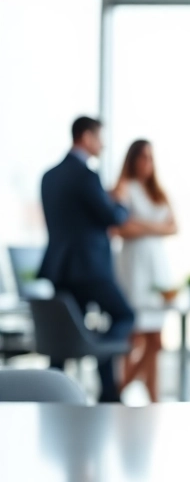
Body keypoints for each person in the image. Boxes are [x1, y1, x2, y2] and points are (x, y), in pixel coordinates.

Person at [38, 116, 135, 403]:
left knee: (63, 335)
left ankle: (52, 396)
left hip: (60, 267)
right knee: (123, 315)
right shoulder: (86, 176)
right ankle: (106, 389)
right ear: (85, 136)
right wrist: (120, 201)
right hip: (90, 268)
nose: (102, 144)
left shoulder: (49, 176)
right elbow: (111, 217)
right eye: (99, 137)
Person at [112, 139, 177, 404]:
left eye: (151, 158)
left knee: (156, 341)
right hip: (134, 269)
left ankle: (151, 399)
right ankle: (119, 395)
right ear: (133, 159)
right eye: (143, 157)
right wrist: (154, 227)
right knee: (134, 337)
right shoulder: (124, 188)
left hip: (157, 269)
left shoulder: (158, 192)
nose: (147, 163)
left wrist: (141, 224)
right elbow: (119, 227)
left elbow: (174, 227)